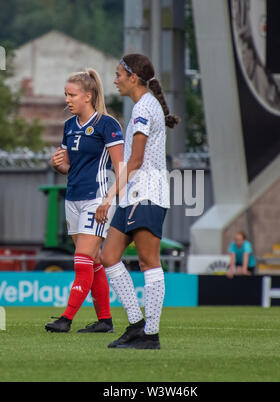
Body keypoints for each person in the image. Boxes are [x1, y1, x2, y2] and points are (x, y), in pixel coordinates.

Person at [95, 53, 180, 350]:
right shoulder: (143, 107)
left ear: (133, 77)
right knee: (108, 257)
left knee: (148, 262)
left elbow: (136, 160)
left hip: (146, 193)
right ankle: (135, 325)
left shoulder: (145, 108)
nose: (115, 79)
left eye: (119, 74)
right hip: (134, 194)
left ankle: (151, 335)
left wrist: (108, 197)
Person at [45, 68, 124, 333]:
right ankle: (105, 321)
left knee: (81, 259)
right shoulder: (69, 126)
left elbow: (121, 168)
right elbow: (70, 167)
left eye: (72, 94)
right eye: (66, 94)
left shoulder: (107, 124)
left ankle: (66, 319)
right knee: (94, 261)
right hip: (73, 198)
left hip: (97, 199)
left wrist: (108, 200)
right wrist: (58, 165)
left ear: (88, 96)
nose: (67, 99)